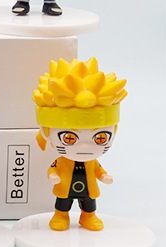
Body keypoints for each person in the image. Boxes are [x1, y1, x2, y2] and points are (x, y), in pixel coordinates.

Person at [33, 57, 127, 231]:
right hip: (65, 188)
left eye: (100, 138)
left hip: (88, 188)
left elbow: (99, 170)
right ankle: (61, 216)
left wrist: (104, 176)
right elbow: (53, 168)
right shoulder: (62, 161)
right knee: (63, 203)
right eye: (69, 138)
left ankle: (88, 217)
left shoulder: (92, 162)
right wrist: (53, 176)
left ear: (114, 131)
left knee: (89, 204)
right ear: (46, 132)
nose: (85, 147)